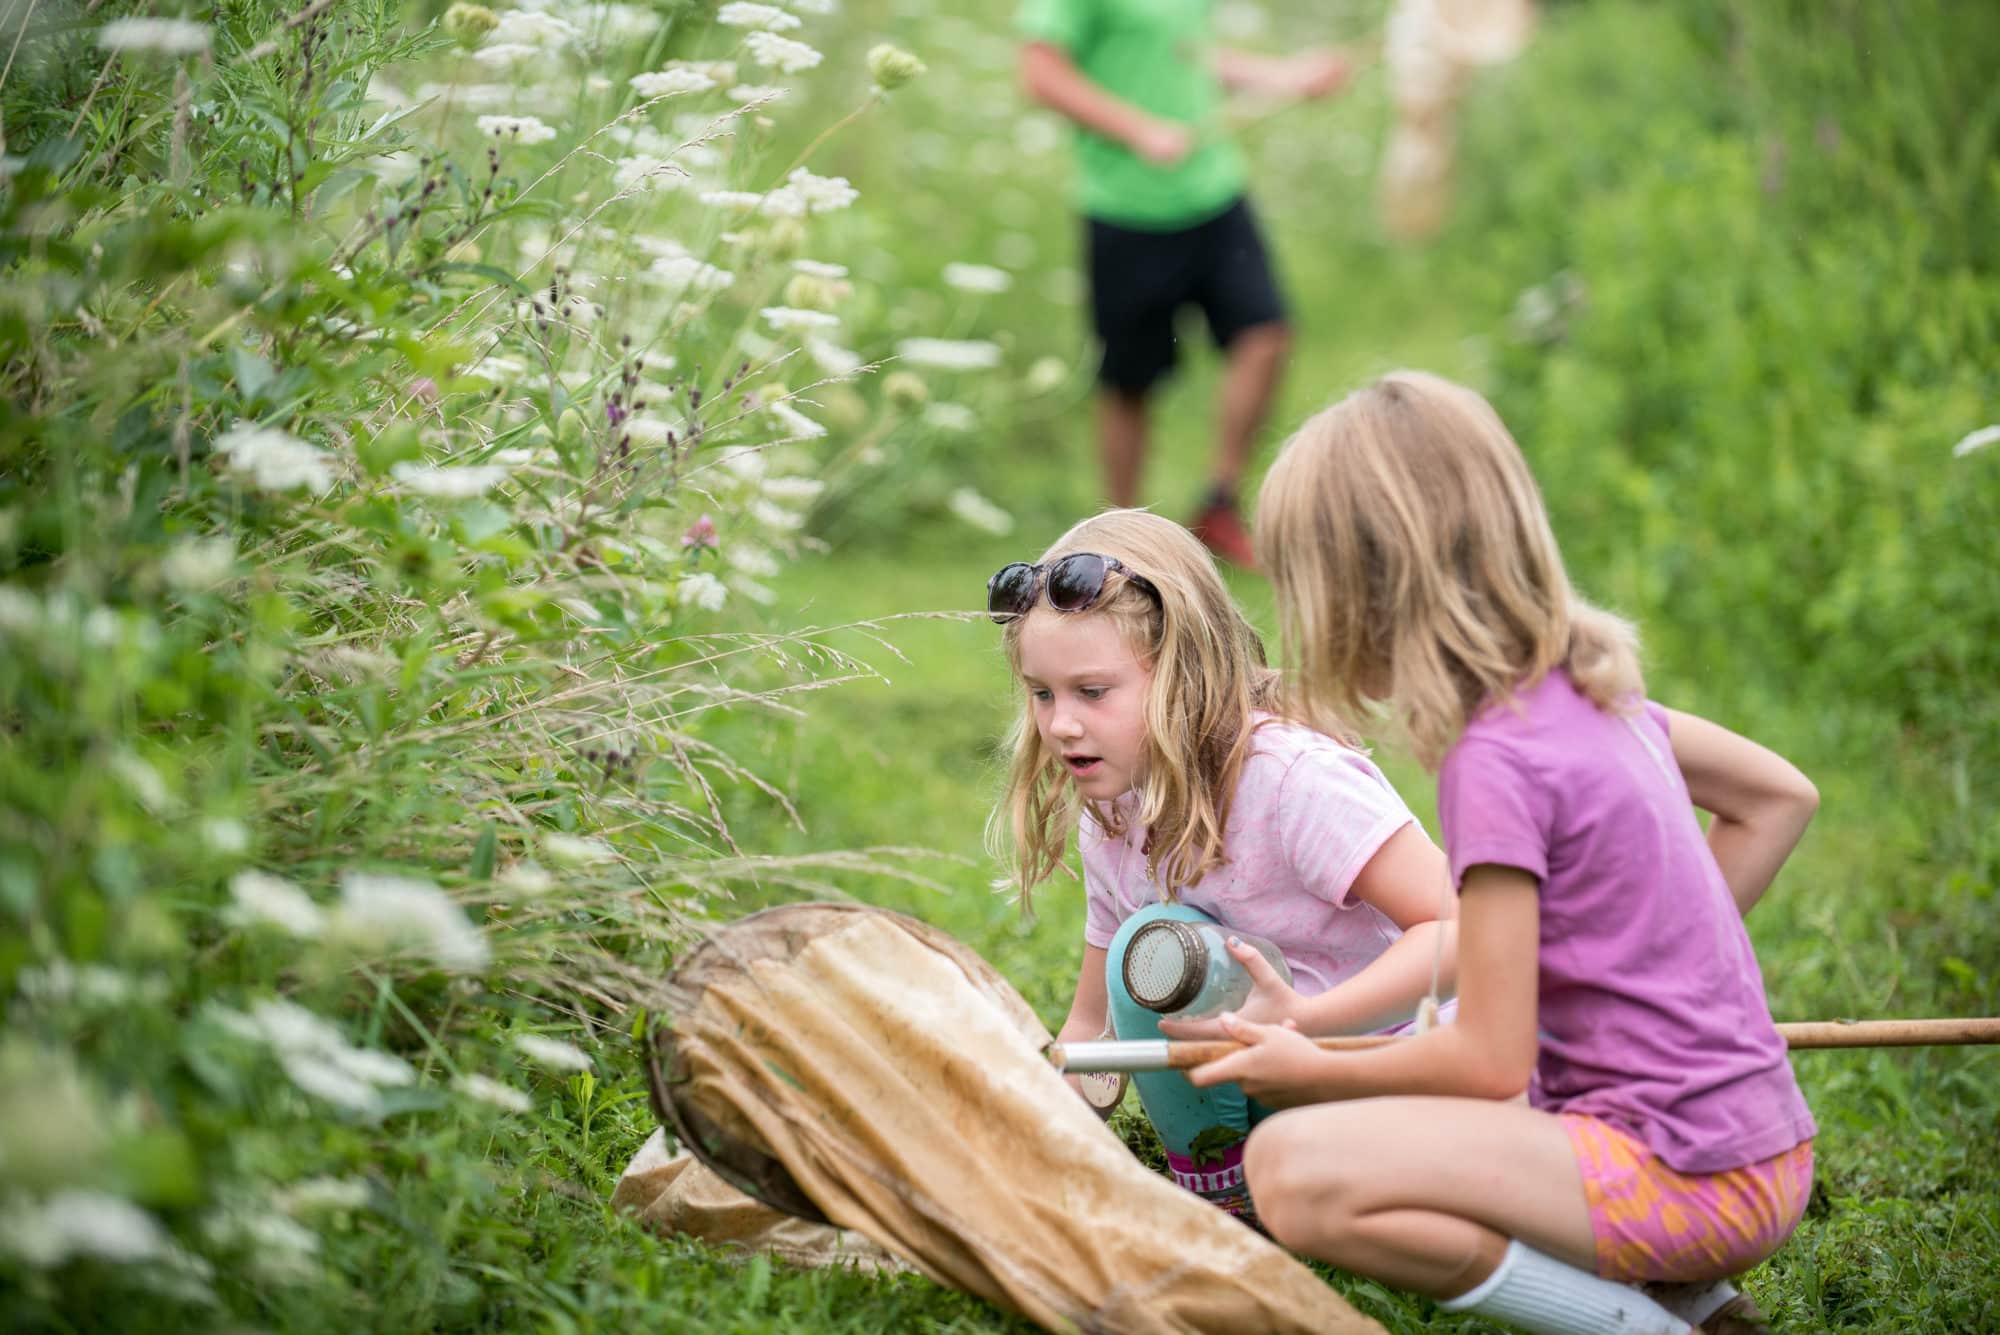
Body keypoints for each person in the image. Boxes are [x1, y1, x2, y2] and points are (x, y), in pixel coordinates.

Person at [1195, 371, 1819, 1334]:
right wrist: (1640, 967)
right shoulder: (1596, 698)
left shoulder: (1493, 757)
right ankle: (1695, 1299)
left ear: (1360, 587)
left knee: (1292, 1169)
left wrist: (1311, 1069)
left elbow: (1487, 1059)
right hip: (1759, 1144)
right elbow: (1779, 798)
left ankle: (1651, 1326)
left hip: (1686, 1176)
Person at [987, 508, 1457, 1221]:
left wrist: (1305, 1018)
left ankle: (1254, 1201)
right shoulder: (1113, 812)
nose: (1061, 724)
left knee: (1156, 944)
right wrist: (1027, 1146)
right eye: (1042, 692)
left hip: (1400, 1076)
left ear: (1185, 668)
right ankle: (1225, 1196)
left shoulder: (1290, 780)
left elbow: (1462, 930)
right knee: (1147, 952)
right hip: (1273, 1087)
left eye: (1092, 691)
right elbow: (1092, 1033)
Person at [1015, 2, 1352, 564]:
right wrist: (1136, 128)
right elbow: (1040, 74)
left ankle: (1219, 502)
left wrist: (1283, 76)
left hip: (1215, 191)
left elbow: (1183, 55)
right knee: (1129, 383)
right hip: (1126, 206)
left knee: (1266, 333)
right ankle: (1117, 541)